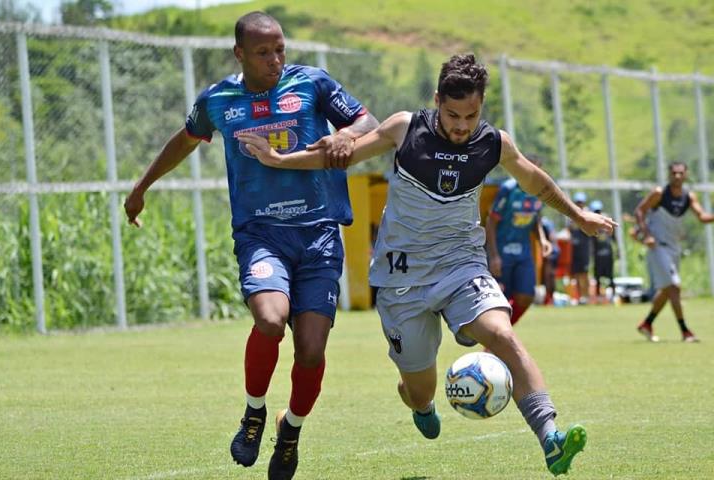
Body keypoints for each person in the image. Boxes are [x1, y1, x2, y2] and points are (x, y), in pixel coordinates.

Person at [239, 54, 617, 476]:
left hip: (461, 264)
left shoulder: (493, 143)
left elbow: (535, 180)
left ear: (482, 107)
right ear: (437, 100)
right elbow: (341, 156)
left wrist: (578, 216)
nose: (461, 125)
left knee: (502, 336)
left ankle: (551, 437)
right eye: (452, 114)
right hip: (402, 280)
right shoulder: (405, 129)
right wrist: (281, 161)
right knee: (419, 389)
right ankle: (422, 404)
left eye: (471, 115)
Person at [123, 11, 379, 480]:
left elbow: (369, 122)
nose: (275, 59)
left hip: (319, 234)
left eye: (280, 48)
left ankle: (291, 430)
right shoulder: (219, 99)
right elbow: (185, 140)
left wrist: (345, 133)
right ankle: (254, 412)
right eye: (263, 52)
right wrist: (142, 187)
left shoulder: (313, 83)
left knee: (311, 353)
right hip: (260, 235)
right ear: (240, 53)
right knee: (270, 319)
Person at [634, 161, 714, 342]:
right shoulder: (659, 194)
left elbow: (702, 217)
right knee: (674, 287)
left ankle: (647, 323)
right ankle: (685, 331)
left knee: (666, 290)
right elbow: (640, 211)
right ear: (669, 175)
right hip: (658, 246)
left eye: (680, 173)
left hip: (674, 248)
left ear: (686, 175)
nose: (677, 176)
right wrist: (647, 235)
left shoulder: (689, 197)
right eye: (674, 173)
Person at [486, 167, 552, 325]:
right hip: (502, 251)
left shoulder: (539, 191)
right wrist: (494, 255)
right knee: (501, 298)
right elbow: (491, 221)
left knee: (527, 296)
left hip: (524, 252)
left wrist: (542, 239)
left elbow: (535, 218)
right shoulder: (508, 189)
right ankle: (497, 337)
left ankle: (502, 334)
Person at [589, 200, 616, 303]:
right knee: (597, 277)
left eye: (598, 211)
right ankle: (598, 297)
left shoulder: (607, 221)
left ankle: (613, 296)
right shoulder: (591, 222)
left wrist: (617, 250)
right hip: (597, 254)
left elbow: (613, 237)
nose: (597, 213)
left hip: (608, 253)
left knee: (610, 275)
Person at [568, 192, 591, 304]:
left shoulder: (587, 214)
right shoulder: (571, 215)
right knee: (576, 274)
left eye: (581, 202)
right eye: (577, 202)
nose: (579, 204)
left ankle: (586, 296)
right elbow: (570, 230)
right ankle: (578, 297)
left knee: (585, 274)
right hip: (574, 249)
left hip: (584, 249)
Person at [540, 215, 561, 305]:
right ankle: (550, 298)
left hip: (550, 251)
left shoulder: (543, 223)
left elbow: (551, 237)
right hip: (554, 251)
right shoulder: (548, 221)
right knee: (551, 276)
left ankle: (549, 298)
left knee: (548, 276)